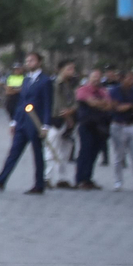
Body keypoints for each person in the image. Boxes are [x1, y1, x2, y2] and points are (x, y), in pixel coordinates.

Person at [0, 50, 48, 194]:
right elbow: (21, 102)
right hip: (22, 121)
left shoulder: (45, 81)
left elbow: (47, 104)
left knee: (37, 153)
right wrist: (14, 122)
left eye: (32, 60)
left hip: (36, 122)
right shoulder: (26, 80)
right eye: (27, 61)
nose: (28, 63)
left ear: (39, 62)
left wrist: (45, 125)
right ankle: (1, 180)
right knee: (13, 152)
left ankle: (39, 184)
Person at [74, 69, 112, 190]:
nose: (96, 79)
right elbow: (92, 103)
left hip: (99, 126)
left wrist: (99, 103)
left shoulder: (103, 91)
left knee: (94, 153)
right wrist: (102, 103)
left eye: (98, 77)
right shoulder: (83, 89)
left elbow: (110, 105)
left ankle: (88, 178)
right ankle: (80, 179)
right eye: (94, 77)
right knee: (85, 152)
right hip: (86, 125)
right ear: (89, 78)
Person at [109, 70, 133, 191]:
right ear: (122, 79)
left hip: (132, 125)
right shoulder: (115, 91)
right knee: (119, 156)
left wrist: (129, 106)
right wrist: (131, 106)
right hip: (118, 125)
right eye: (129, 78)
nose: (131, 81)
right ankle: (118, 181)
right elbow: (117, 107)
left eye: (132, 78)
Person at [49, 59, 79, 188]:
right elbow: (58, 104)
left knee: (65, 151)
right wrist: (67, 116)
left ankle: (62, 178)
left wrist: (72, 110)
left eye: (73, 68)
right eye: (69, 68)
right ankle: (46, 177)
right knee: (52, 149)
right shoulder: (56, 84)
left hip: (69, 120)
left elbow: (74, 101)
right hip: (57, 120)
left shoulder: (71, 84)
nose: (72, 71)